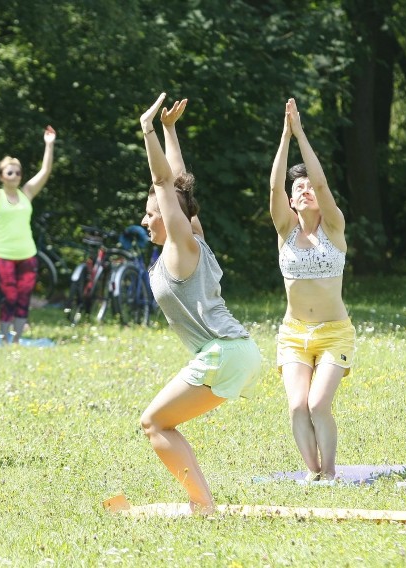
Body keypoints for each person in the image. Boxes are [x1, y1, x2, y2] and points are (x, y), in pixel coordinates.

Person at [137, 93, 262, 514]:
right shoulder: (196, 237)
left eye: (150, 213)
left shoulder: (182, 245)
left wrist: (149, 129)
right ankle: (202, 503)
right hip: (235, 351)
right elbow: (174, 183)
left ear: (172, 216)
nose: (145, 219)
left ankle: (202, 505)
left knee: (154, 422)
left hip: (223, 352)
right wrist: (172, 131)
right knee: (159, 422)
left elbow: (162, 184)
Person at [269, 98, 356, 481]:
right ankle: (314, 474)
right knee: (296, 407)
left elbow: (320, 181)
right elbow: (273, 186)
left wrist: (300, 131)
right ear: (291, 201)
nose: (305, 190)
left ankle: (331, 472)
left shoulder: (333, 228)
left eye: (309, 187)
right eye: (298, 188)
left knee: (319, 404)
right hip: (293, 335)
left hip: (334, 331)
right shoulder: (285, 230)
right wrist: (284, 136)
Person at [0, 122, 56, 344]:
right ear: (1, 176)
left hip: (27, 255)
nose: (16, 175)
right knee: (9, 297)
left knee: (23, 298)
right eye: (11, 172)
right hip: (2, 254)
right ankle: (3, 338)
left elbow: (45, 171)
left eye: (18, 172)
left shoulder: (26, 193)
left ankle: (17, 339)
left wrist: (49, 145)